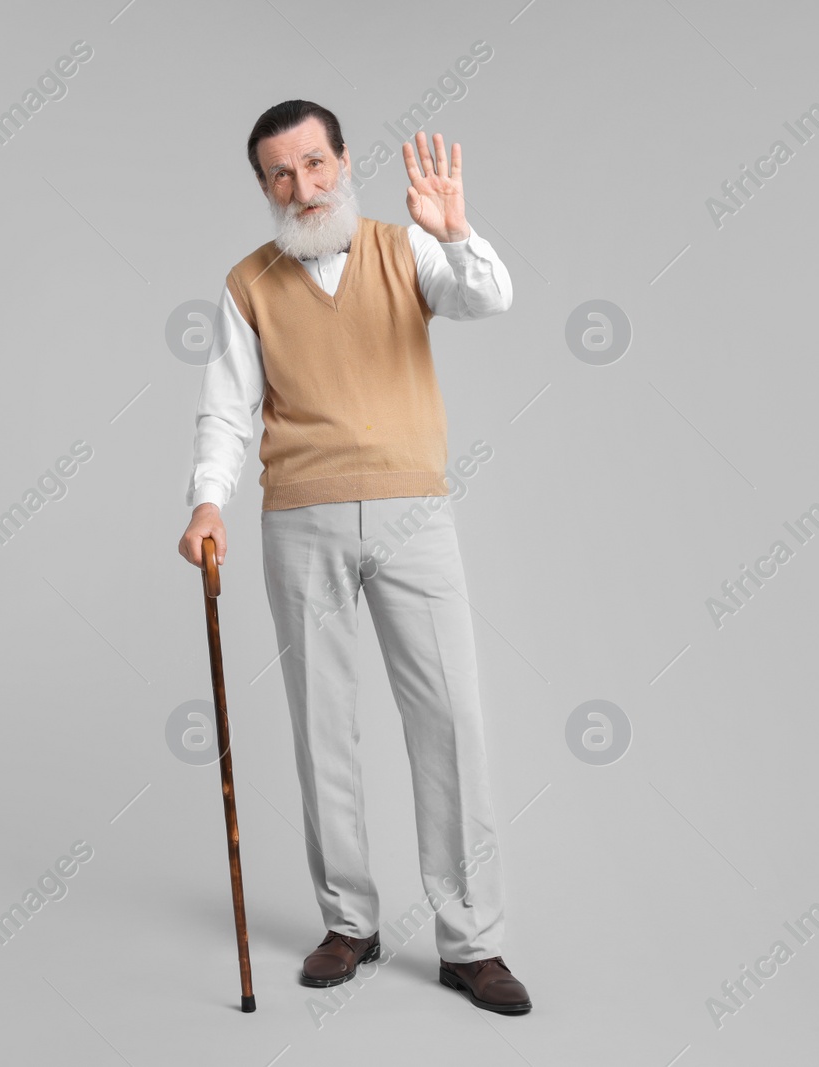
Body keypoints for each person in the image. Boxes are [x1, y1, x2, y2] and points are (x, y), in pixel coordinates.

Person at [176, 99, 529, 1014]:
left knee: (450, 721)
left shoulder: (404, 247)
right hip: (300, 518)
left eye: (315, 164)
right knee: (322, 726)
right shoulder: (248, 282)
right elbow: (226, 406)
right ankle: (349, 922)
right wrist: (208, 502)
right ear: (263, 187)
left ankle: (471, 942)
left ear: (342, 161)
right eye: (280, 175)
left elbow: (487, 299)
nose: (303, 187)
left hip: (415, 513)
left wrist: (457, 231)